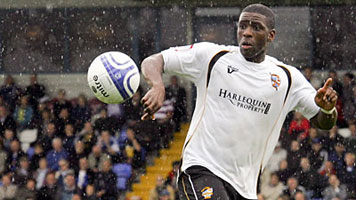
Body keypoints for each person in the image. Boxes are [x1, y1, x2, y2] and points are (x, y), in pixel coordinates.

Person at [140, 3, 338, 199]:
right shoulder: (212, 57)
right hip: (202, 169)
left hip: (245, 187)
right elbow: (154, 61)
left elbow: (323, 120)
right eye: (243, 26)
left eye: (256, 27)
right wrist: (157, 85)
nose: (247, 32)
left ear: (271, 35)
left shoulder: (288, 78)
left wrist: (328, 109)